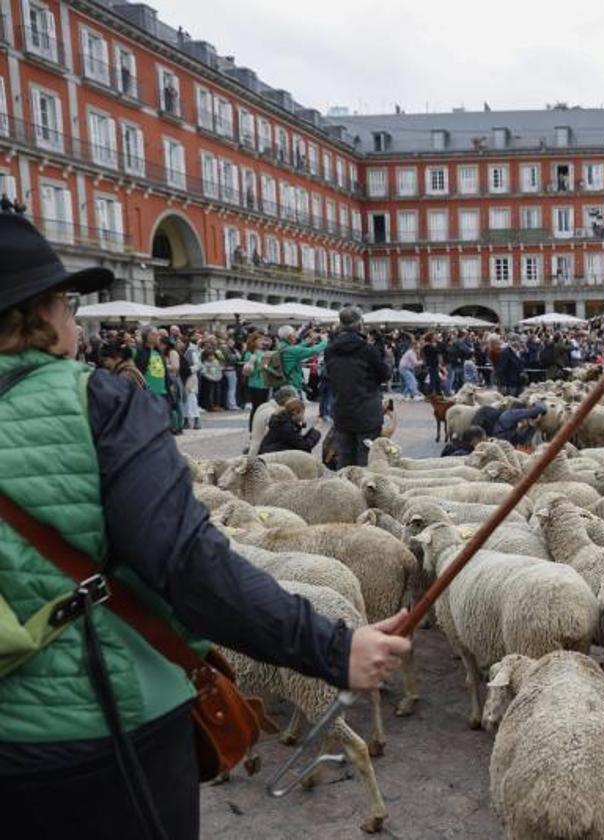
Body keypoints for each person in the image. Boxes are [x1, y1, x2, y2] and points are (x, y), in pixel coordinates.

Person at [0, 214, 411, 839]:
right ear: (35, 313)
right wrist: (332, 648)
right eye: (66, 301)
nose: (75, 319)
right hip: (103, 728)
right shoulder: (96, 401)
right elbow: (187, 565)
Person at [324, 307, 391, 468]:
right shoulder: (367, 349)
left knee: (345, 458)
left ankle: (345, 491)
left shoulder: (330, 350)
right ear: (360, 323)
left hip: (342, 409)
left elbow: (329, 376)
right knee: (367, 459)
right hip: (367, 410)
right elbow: (385, 375)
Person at [276, 324, 328, 395]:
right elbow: (314, 350)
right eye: (294, 334)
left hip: (284, 382)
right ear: (290, 336)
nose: (296, 336)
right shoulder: (292, 350)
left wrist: (308, 342)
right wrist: (325, 340)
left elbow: (296, 348)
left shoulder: (281, 346)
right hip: (292, 384)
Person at [247, 385, 298, 456]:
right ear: (287, 399)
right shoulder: (274, 413)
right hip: (262, 454)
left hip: (255, 449)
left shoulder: (264, 406)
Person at [241, 332, 269, 431]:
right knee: (256, 407)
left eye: (263, 340)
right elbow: (248, 372)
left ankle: (261, 427)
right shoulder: (250, 354)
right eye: (260, 340)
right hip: (255, 383)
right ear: (253, 341)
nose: (262, 342)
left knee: (263, 408)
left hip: (265, 383)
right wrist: (259, 366)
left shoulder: (263, 352)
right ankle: (253, 429)